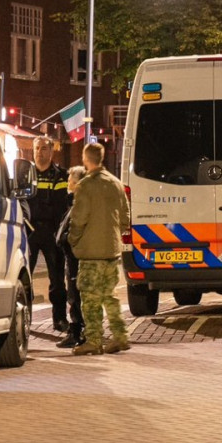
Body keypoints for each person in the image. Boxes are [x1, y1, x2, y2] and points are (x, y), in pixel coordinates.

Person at [68, 142, 130, 355]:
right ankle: (120, 335)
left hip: (92, 252)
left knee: (90, 298)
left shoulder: (86, 185)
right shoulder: (116, 183)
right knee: (110, 296)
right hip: (112, 250)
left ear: (86, 159)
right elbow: (125, 216)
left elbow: (79, 218)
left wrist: (73, 239)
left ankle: (93, 340)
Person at [26, 136, 72, 333]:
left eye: (44, 148)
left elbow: (66, 206)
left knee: (57, 280)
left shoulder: (62, 175)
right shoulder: (26, 175)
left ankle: (59, 319)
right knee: (24, 277)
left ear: (51, 151)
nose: (40, 152)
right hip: (30, 230)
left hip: (52, 233)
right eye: (37, 148)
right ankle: (24, 318)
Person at [54, 166, 86, 348]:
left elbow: (76, 231)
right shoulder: (73, 203)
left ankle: (76, 332)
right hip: (72, 256)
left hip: (75, 257)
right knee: (74, 294)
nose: (68, 185)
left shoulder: (79, 204)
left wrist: (66, 239)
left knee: (75, 294)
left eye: (71, 182)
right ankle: (78, 330)